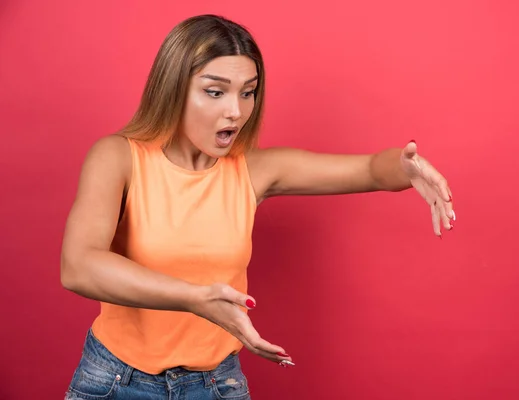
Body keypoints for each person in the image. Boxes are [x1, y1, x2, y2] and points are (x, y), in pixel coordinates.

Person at [60, 14, 455, 400]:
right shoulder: (117, 157)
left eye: (247, 92)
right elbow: (79, 265)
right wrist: (194, 298)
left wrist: (405, 166)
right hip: (114, 380)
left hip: (215, 385)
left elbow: (369, 170)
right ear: (172, 89)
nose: (236, 110)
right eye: (215, 92)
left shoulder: (253, 170)